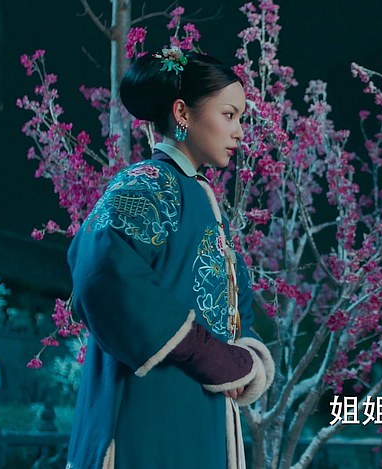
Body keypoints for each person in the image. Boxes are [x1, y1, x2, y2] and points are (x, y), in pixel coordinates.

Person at [65, 47, 274, 469]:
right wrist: (209, 356)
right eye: (228, 115)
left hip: (200, 408)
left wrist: (244, 358)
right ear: (182, 112)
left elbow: (231, 301)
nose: (239, 132)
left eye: (241, 118)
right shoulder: (148, 184)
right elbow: (100, 273)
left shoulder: (199, 197)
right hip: (148, 409)